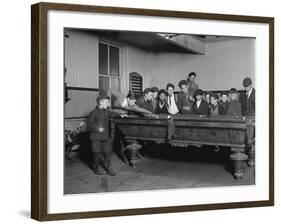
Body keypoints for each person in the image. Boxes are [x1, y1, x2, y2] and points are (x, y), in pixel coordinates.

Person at [87, 95, 125, 176]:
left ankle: (109, 168)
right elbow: (89, 124)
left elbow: (113, 113)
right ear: (101, 102)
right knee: (97, 153)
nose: (108, 104)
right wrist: (97, 129)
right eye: (106, 102)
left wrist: (120, 115)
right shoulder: (93, 113)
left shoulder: (107, 111)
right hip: (96, 137)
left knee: (108, 152)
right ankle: (96, 168)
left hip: (105, 137)